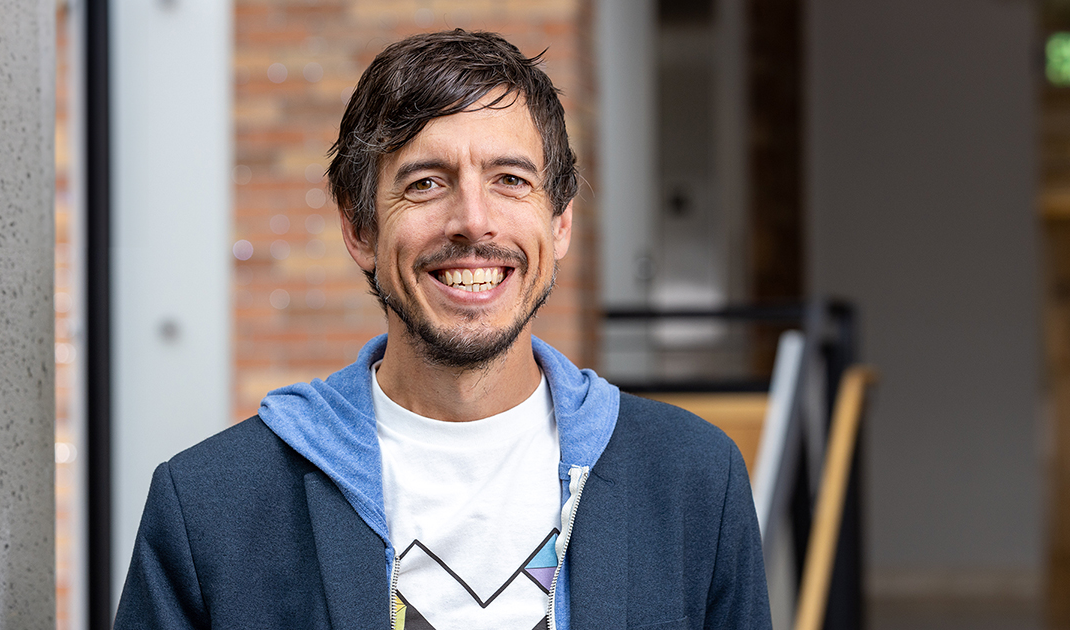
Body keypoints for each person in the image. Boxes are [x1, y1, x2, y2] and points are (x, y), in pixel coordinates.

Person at [114, 29, 770, 630]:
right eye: (426, 183)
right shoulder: (208, 507)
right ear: (360, 229)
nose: (474, 221)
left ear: (560, 224)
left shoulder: (691, 481)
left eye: (511, 180)